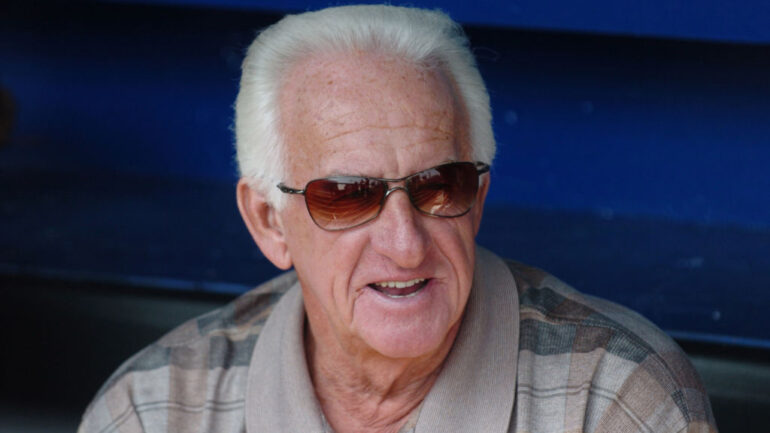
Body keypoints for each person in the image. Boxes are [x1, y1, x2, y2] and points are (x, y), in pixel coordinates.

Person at [79, 5, 717, 433]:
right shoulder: (152, 413)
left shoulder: (618, 402)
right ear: (268, 222)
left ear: (480, 197)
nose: (406, 245)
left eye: (440, 185)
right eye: (347, 196)